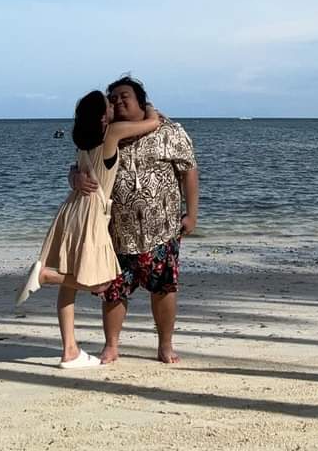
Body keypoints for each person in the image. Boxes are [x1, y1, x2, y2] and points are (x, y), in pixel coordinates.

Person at [16, 89, 161, 368]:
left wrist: (73, 177)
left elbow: (76, 169)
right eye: (109, 106)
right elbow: (152, 123)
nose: (114, 108)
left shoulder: (82, 144)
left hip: (71, 209)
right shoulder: (112, 134)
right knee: (101, 282)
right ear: (102, 116)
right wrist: (149, 106)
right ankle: (45, 275)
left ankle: (69, 350)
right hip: (93, 213)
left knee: (69, 283)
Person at [72, 76, 198, 365]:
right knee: (114, 291)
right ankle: (111, 346)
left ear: (141, 100)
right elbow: (81, 164)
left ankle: (165, 345)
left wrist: (192, 214)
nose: (118, 101)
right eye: (113, 98)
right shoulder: (103, 133)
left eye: (124, 95)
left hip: (162, 229)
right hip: (116, 231)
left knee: (164, 288)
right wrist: (75, 178)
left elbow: (189, 170)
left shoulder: (170, 131)